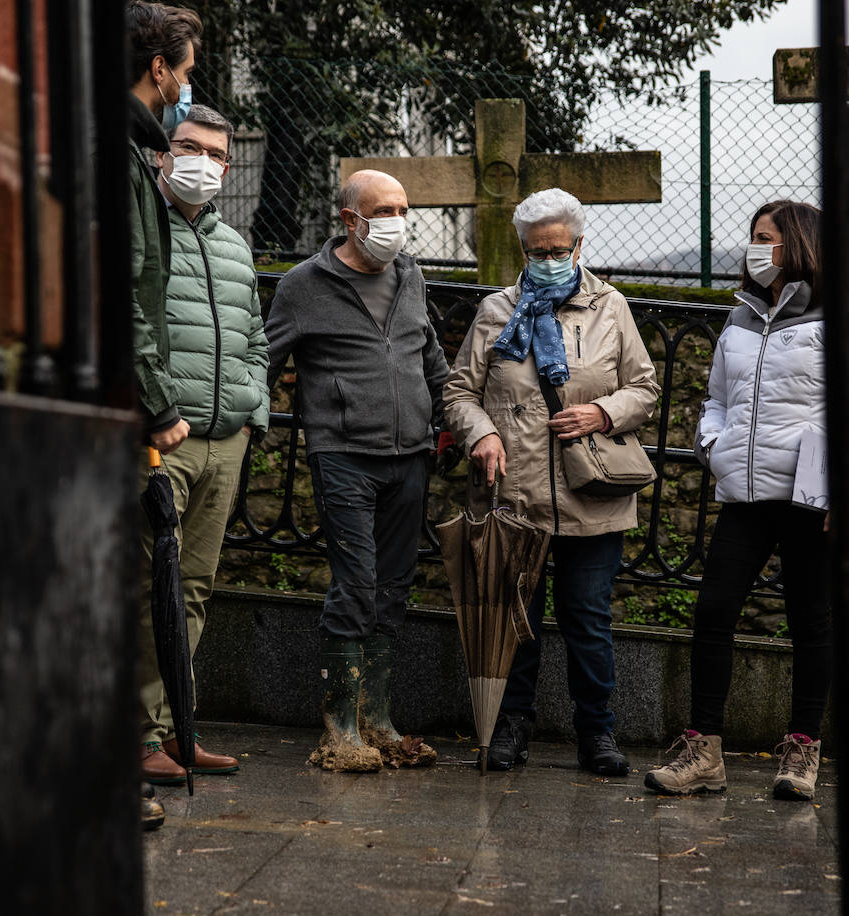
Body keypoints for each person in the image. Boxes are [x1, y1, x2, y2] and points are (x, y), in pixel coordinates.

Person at [442, 187, 660, 777]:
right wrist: (482, 433)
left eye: (559, 249)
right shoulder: (496, 310)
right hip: (514, 494)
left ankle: (597, 733)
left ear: (579, 245)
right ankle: (510, 728)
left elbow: (645, 388)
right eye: (537, 251)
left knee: (588, 620)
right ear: (523, 249)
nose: (548, 260)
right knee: (516, 620)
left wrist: (602, 412)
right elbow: (459, 391)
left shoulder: (611, 307)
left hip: (592, 494)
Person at [644, 200, 832, 802]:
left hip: (808, 497)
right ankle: (704, 753)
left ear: (797, 244)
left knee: (810, 621)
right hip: (745, 493)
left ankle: (802, 752)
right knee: (713, 611)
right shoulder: (740, 318)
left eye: (764, 237)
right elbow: (717, 399)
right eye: (753, 236)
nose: (755, 247)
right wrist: (713, 444)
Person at [265, 170, 448, 772]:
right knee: (357, 583)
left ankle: (378, 720)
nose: (398, 222)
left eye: (403, 209)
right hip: (342, 455)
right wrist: (245, 423)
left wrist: (458, 422)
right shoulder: (303, 285)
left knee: (394, 586)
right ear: (350, 220)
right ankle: (340, 728)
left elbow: (431, 360)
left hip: (411, 454)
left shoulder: (410, 275)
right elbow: (265, 359)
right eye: (384, 211)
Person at [136, 104, 270, 787]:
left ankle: (175, 728)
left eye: (217, 154)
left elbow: (256, 339)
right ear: (163, 153)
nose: (204, 163)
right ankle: (137, 736)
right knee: (148, 590)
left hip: (225, 441)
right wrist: (155, 411)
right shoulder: (144, 227)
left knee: (191, 589)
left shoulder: (235, 245)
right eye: (189, 147)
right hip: (166, 439)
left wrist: (253, 413)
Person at [124, 0, 202, 825]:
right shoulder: (122, 154)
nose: (186, 86)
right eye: (185, 72)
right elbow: (129, 288)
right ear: (159, 69)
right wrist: (157, 401)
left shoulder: (134, 150)